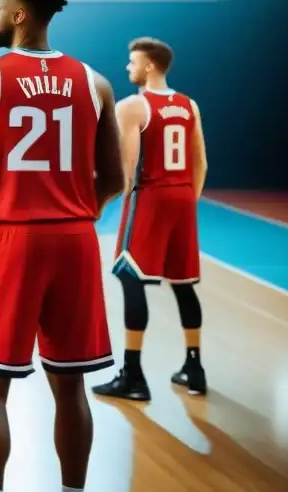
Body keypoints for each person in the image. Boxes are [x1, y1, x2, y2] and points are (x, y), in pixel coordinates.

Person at [0, 0, 125, 492]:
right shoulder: (96, 81)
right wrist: (75, 212)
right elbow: (115, 180)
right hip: (75, 240)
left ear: (19, 15)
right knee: (70, 386)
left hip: (11, 239)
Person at [93, 38, 208, 402]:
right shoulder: (189, 105)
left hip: (150, 199)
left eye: (132, 62)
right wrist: (187, 201)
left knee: (131, 279)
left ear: (149, 66)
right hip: (183, 197)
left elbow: (126, 170)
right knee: (183, 284)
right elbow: (200, 162)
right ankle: (195, 367)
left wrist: (103, 204)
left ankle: (133, 375)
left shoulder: (133, 107)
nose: (128, 67)